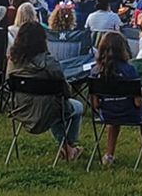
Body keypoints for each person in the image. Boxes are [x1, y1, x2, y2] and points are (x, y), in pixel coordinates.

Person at [6, 21, 84, 162]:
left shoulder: (13, 61)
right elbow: (65, 91)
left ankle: (67, 148)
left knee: (55, 105)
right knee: (74, 107)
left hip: (21, 111)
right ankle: (69, 147)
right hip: (48, 112)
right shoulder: (49, 63)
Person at [91, 32, 142, 168]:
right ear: (123, 49)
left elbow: (96, 104)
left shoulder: (95, 72)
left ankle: (109, 155)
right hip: (131, 113)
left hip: (107, 114)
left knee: (114, 117)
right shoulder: (130, 70)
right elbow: (137, 103)